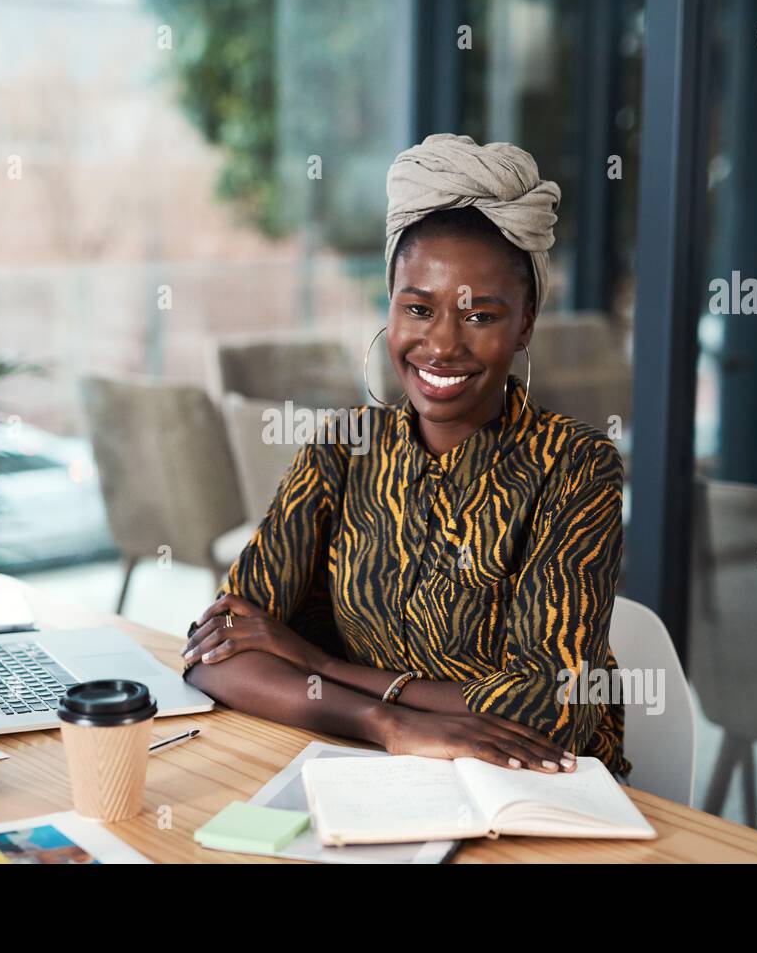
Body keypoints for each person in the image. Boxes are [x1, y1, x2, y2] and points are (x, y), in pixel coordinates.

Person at [183, 133, 630, 779]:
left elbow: (553, 708)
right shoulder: (344, 447)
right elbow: (215, 651)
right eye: (418, 308)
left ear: (526, 322)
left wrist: (322, 666)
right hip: (370, 772)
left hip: (534, 790)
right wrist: (388, 723)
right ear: (389, 306)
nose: (442, 344)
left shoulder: (576, 466)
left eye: (481, 316)